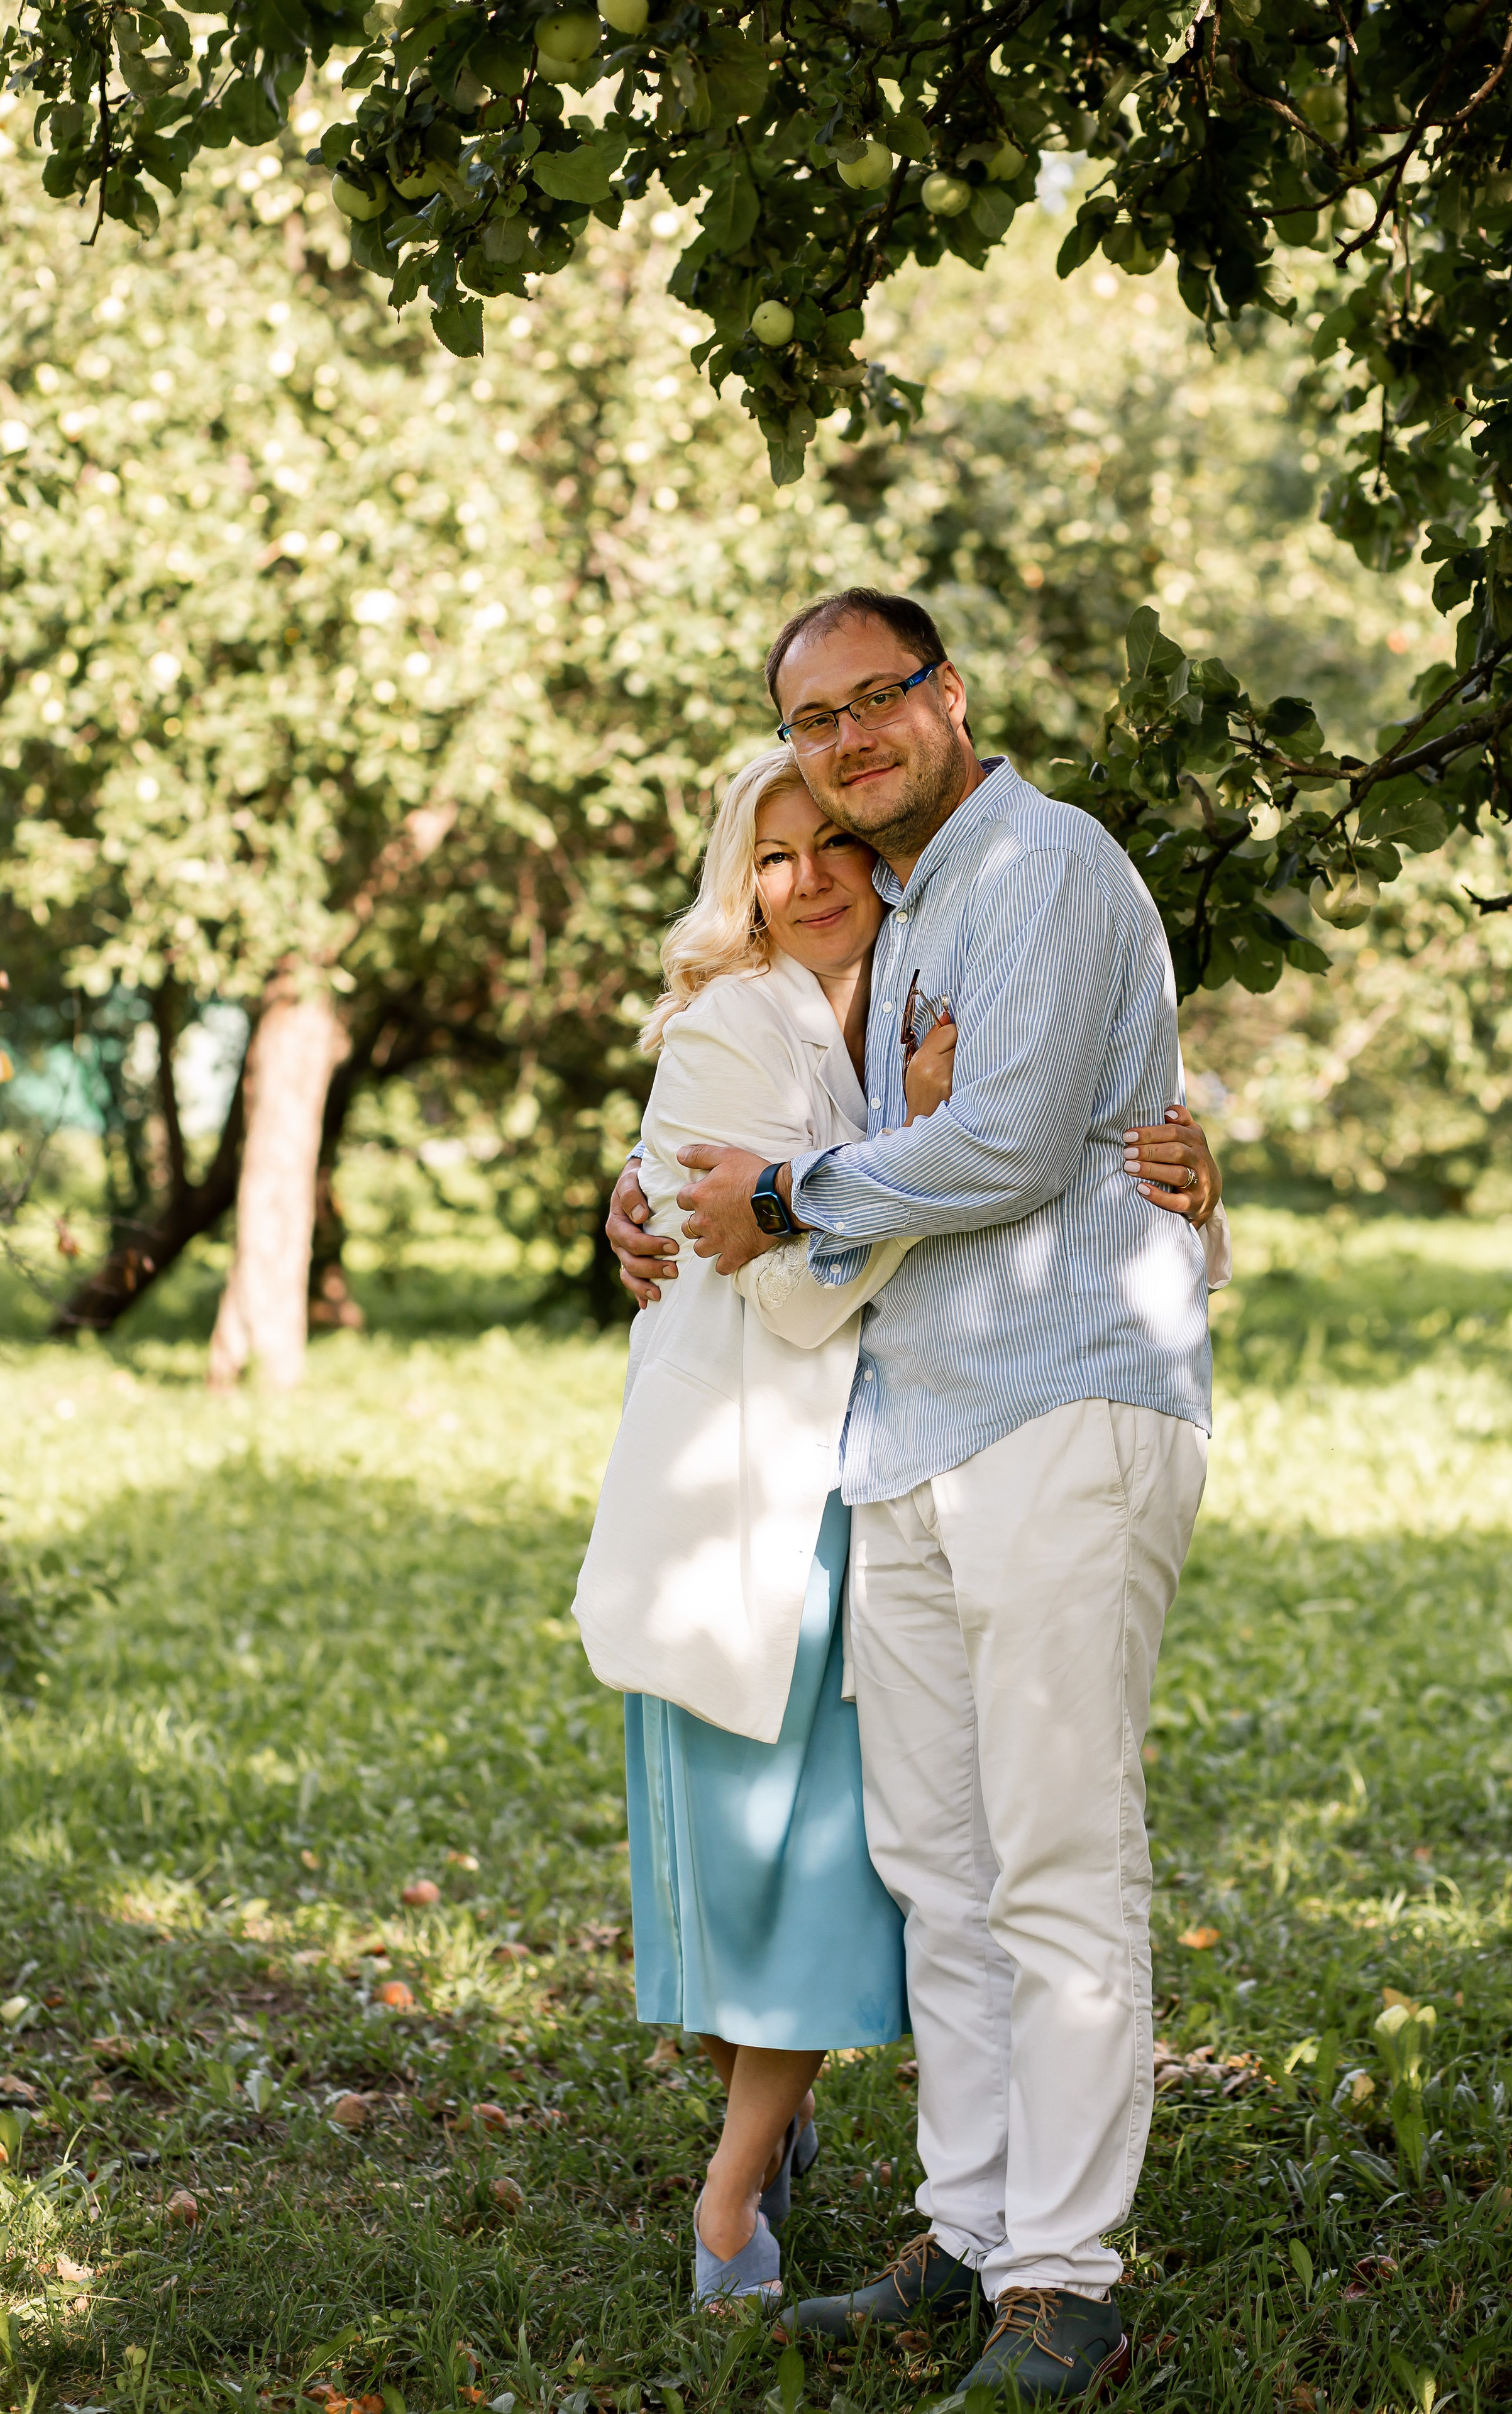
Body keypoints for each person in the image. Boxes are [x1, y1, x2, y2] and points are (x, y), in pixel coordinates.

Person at [605, 588, 1229, 2401]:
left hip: (1059, 1415)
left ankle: (1069, 2281)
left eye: (879, 700)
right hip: (911, 1434)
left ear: (950, 697)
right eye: (814, 721)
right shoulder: (905, 908)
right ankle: (966, 2233)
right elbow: (756, 1099)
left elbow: (1020, 1146)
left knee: (1053, 1854)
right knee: (936, 1869)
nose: (850, 740)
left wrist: (792, 1193)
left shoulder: (1043, 864)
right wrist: (644, 1197)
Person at [573, 744, 959, 2308]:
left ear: (882, 853)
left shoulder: (926, 996)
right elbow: (793, 1280)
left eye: (831, 848)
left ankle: (753, 2148)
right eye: (769, 859)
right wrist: (916, 1154)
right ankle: (732, 2201)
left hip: (869, 1481)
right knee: (766, 1854)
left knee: (815, 1850)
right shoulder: (729, 1025)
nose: (804, 884)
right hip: (742, 1483)